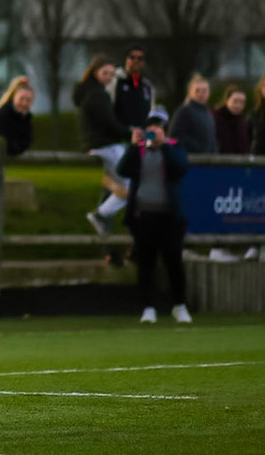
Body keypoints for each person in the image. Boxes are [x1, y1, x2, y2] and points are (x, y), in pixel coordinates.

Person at [118, 115, 192, 325]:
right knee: (146, 263)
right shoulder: (139, 149)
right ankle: (148, 308)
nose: (154, 131)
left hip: (169, 217)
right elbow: (122, 170)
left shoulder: (175, 147)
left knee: (174, 262)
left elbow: (180, 168)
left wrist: (164, 146)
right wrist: (133, 146)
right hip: (143, 216)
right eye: (150, 128)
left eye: (158, 128)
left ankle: (180, 306)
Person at [78, 56, 133, 240]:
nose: (109, 77)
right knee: (133, 185)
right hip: (106, 145)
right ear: (95, 72)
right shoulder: (97, 95)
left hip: (97, 144)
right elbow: (108, 124)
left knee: (122, 185)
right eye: (105, 73)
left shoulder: (89, 92)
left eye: (111, 74)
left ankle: (104, 212)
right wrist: (129, 132)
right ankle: (101, 214)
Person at [0, 76, 35, 157]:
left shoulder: (26, 118)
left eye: (28, 100)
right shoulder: (3, 114)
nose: (24, 103)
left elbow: (27, 141)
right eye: (21, 99)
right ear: (14, 97)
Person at [169, 75, 217, 154]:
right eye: (197, 90)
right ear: (190, 92)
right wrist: (198, 148)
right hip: (191, 160)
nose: (201, 94)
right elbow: (175, 136)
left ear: (208, 92)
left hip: (208, 160)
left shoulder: (209, 114)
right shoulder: (184, 111)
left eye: (204, 91)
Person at [113, 46, 157, 132]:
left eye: (140, 58)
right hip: (119, 138)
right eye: (132, 57)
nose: (136, 61)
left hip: (141, 137)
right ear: (126, 60)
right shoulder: (115, 82)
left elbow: (152, 113)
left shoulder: (147, 86)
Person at [213, 85, 251, 155]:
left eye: (241, 102)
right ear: (226, 100)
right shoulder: (215, 119)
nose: (238, 105)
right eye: (235, 101)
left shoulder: (243, 122)